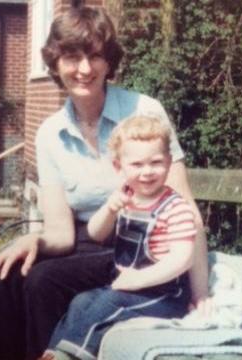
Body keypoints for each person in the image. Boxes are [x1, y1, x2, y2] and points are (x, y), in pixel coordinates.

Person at [0, 6, 208, 360]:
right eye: (72, 57)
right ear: (55, 63)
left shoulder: (144, 111)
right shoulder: (50, 133)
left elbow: (186, 211)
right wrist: (33, 239)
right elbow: (62, 233)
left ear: (108, 62)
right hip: (90, 239)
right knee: (0, 280)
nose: (84, 69)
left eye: (95, 56)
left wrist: (201, 294)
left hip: (142, 240)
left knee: (43, 282)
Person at [40, 116, 196, 360]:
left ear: (168, 162)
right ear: (118, 167)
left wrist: (139, 279)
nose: (147, 172)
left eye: (156, 162)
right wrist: (109, 210)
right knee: (82, 301)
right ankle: (52, 352)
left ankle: (70, 356)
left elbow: (182, 258)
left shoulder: (175, 208)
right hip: (128, 286)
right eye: (136, 164)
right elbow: (95, 234)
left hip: (163, 295)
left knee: (108, 304)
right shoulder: (125, 198)